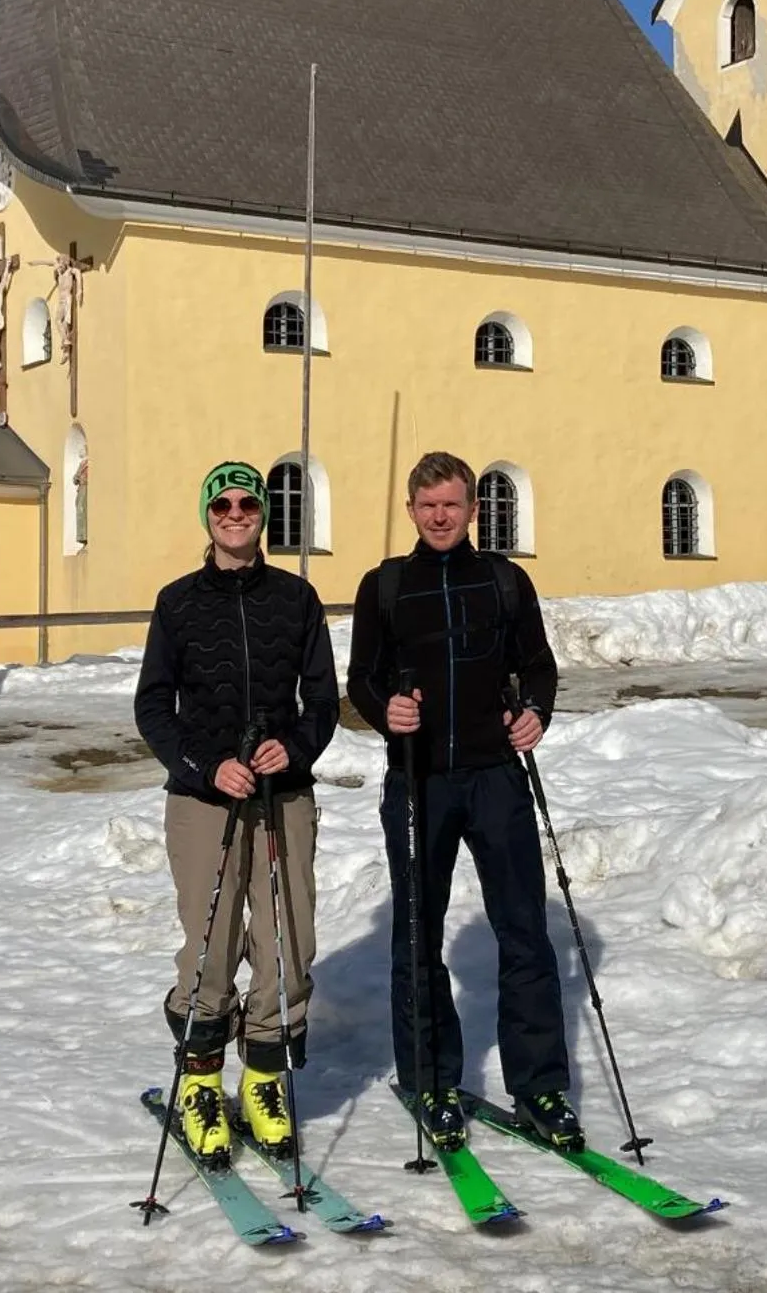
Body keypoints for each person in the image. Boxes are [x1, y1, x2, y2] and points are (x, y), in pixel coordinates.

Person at [345, 451, 582, 1154]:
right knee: (417, 934)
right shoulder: (386, 586)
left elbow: (538, 665)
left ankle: (539, 1087)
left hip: (495, 778)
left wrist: (536, 711)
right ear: (411, 511)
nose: (440, 517)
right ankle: (431, 1081)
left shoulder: (504, 581)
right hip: (419, 781)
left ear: (473, 509)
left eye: (451, 504)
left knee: (525, 932)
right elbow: (362, 677)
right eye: (427, 506)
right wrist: (385, 710)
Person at [133, 460, 339, 1166]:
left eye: (246, 503)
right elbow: (153, 706)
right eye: (221, 505)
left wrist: (296, 748)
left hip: (283, 797)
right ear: (207, 515)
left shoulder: (296, 598)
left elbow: (322, 699)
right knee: (211, 943)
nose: (235, 514)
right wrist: (203, 765)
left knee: (287, 942)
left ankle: (262, 1080)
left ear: (262, 515)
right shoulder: (178, 602)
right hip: (204, 799)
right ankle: (199, 1082)